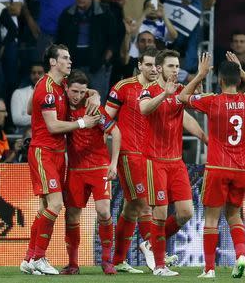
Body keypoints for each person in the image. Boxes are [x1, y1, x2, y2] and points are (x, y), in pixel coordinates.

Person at [178, 51, 245, 279]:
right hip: (242, 169)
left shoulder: (213, 101)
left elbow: (182, 98)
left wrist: (200, 74)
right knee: (234, 215)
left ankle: (208, 270)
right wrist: (242, 71)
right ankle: (241, 256)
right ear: (238, 80)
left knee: (211, 219)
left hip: (218, 168)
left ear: (219, 80)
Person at [20, 44, 100, 275]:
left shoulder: (60, 85)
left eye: (69, 57)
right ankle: (38, 257)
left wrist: (94, 94)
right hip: (43, 151)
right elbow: (53, 125)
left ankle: (28, 258)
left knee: (46, 206)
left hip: (57, 153)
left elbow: (28, 109)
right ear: (53, 62)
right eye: (65, 58)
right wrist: (83, 123)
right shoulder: (46, 88)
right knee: (55, 205)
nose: (69, 61)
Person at [138, 49, 206, 276]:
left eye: (177, 66)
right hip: (154, 162)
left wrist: (204, 138)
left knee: (186, 212)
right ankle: (159, 265)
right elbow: (144, 109)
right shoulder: (148, 91)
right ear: (158, 69)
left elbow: (186, 114)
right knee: (158, 213)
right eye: (171, 66)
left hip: (176, 163)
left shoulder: (178, 91)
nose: (175, 70)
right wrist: (164, 95)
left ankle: (150, 244)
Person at [60, 70, 120, 275]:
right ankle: (73, 263)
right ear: (67, 89)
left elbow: (116, 132)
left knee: (103, 211)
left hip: (99, 168)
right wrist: (94, 92)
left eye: (82, 91)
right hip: (76, 170)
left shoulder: (94, 108)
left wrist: (113, 164)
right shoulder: (63, 107)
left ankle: (106, 260)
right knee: (72, 215)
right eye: (74, 91)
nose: (77, 96)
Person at [104, 47, 158, 274]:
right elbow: (105, 119)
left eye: (156, 65)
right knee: (144, 203)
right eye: (148, 65)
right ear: (139, 65)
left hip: (151, 155)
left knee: (131, 208)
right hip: (129, 153)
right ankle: (154, 252)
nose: (153, 69)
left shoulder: (159, 89)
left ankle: (118, 260)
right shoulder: (123, 87)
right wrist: (111, 157)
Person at [56, 0, 117, 104]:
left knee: (97, 102)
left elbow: (114, 39)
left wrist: (105, 60)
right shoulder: (67, 14)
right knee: (73, 102)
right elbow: (59, 40)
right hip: (73, 64)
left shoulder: (105, 13)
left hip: (97, 65)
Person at [22, 0, 92, 59]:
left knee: (72, 70)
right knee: (45, 69)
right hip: (47, 35)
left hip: (73, 35)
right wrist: (30, 20)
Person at [10, 63, 44, 136]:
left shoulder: (53, 93)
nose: (36, 76)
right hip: (23, 135)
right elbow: (17, 119)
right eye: (33, 73)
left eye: (40, 73)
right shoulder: (19, 93)